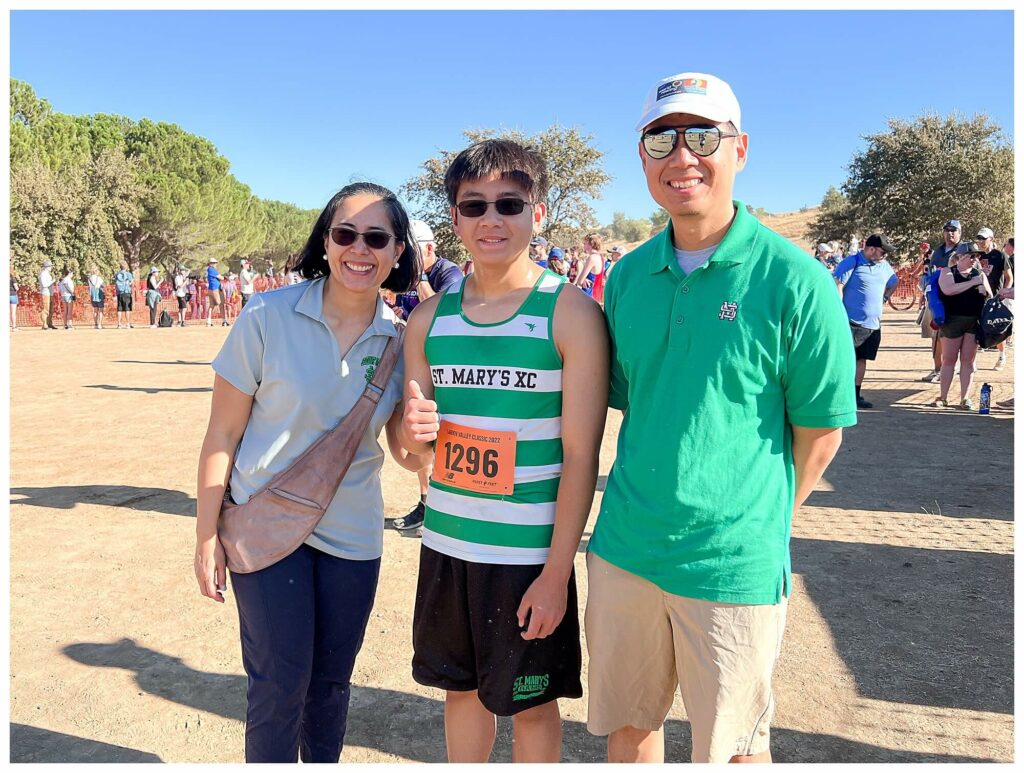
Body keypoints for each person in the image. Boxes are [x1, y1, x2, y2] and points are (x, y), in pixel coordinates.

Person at [588, 71, 856, 764]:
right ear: (642, 155)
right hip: (626, 549)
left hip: (733, 564)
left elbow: (820, 430)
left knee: (731, 750)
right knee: (629, 728)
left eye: (703, 135)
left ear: (740, 148)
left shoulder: (796, 281)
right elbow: (628, 396)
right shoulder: (626, 276)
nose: (682, 156)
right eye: (661, 138)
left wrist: (760, 519)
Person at [193, 181, 428, 763]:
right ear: (326, 241)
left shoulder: (401, 342)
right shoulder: (266, 315)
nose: (360, 249)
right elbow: (222, 432)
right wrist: (204, 534)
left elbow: (402, 453)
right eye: (345, 234)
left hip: (353, 535)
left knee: (330, 686)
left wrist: (419, 434)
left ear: (399, 251)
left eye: (377, 237)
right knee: (279, 684)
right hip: (266, 530)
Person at [400, 138, 609, 763]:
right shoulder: (428, 320)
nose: (491, 219)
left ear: (537, 213)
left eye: (509, 204)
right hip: (446, 546)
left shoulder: (568, 313)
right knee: (459, 695)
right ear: (455, 218)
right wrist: (413, 443)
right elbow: (417, 460)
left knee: (531, 708)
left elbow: (581, 457)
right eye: (474, 206)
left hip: (526, 558)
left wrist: (554, 574)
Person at [388, 218, 464, 536]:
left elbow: (444, 313)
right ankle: (425, 503)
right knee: (416, 441)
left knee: (436, 441)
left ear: (429, 248)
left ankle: (437, 505)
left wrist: (419, 277)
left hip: (446, 369)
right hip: (417, 362)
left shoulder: (450, 273)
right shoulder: (406, 275)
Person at [832, 234, 899, 410]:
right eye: (883, 251)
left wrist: (885, 297)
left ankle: (855, 395)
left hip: (872, 324)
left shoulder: (884, 266)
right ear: (870, 249)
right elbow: (838, 285)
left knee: (862, 359)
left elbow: (894, 282)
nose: (885, 255)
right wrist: (838, 313)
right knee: (844, 359)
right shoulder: (851, 262)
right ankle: (838, 394)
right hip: (850, 322)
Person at [934, 242, 992, 409]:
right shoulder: (947, 272)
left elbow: (990, 295)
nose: (975, 259)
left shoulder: (979, 274)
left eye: (977, 256)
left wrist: (983, 288)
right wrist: (974, 282)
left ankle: (964, 398)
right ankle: (943, 397)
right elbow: (949, 290)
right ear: (959, 257)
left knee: (968, 362)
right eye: (971, 256)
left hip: (973, 322)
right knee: (949, 361)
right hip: (952, 322)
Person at [921, 219, 964, 383]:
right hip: (935, 299)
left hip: (955, 299)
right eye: (947, 229)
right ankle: (937, 369)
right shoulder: (938, 251)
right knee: (935, 334)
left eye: (954, 230)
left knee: (950, 336)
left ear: (960, 232)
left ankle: (951, 368)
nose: (950, 233)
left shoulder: (964, 250)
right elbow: (930, 274)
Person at [975, 227, 1012, 370]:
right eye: (979, 238)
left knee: (996, 328)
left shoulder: (1000, 256)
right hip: (978, 297)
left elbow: (1009, 277)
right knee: (975, 329)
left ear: (991, 239)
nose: (980, 242)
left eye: (983, 238)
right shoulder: (975, 256)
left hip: (996, 297)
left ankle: (1002, 355)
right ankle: (972, 362)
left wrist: (1004, 293)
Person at [574, 233, 604, 297]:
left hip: (589, 295)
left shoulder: (592, 258)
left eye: (584, 243)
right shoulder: (601, 258)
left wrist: (583, 279)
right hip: (596, 295)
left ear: (589, 242)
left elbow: (580, 281)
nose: (583, 245)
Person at [206, 257, 227, 327]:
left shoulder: (210, 270)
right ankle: (224, 321)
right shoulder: (212, 270)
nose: (215, 264)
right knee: (221, 304)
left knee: (211, 305)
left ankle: (208, 321)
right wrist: (226, 278)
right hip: (215, 289)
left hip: (211, 289)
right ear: (210, 264)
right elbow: (221, 277)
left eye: (215, 263)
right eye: (213, 263)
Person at [114, 260, 134, 329]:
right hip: (126, 292)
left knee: (119, 309)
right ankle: (128, 323)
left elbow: (115, 284)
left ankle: (119, 324)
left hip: (119, 293)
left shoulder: (117, 274)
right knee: (127, 309)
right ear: (126, 266)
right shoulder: (128, 274)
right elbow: (131, 282)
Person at [38, 259, 56, 330]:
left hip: (50, 293)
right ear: (47, 267)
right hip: (45, 293)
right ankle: (44, 324)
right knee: (46, 310)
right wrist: (53, 281)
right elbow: (44, 284)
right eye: (50, 266)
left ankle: (49, 323)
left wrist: (53, 281)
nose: (51, 267)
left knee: (51, 310)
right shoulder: (43, 274)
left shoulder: (48, 274)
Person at [58, 265, 76, 330]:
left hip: (63, 295)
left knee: (65, 311)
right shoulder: (68, 279)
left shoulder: (61, 280)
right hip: (68, 295)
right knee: (69, 311)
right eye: (72, 273)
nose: (72, 274)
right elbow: (68, 287)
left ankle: (65, 324)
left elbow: (60, 288)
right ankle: (70, 325)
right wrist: (72, 293)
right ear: (69, 273)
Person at [10, 266, 19, 331]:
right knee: (13, 312)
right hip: (13, 295)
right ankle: (14, 327)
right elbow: (16, 288)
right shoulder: (13, 278)